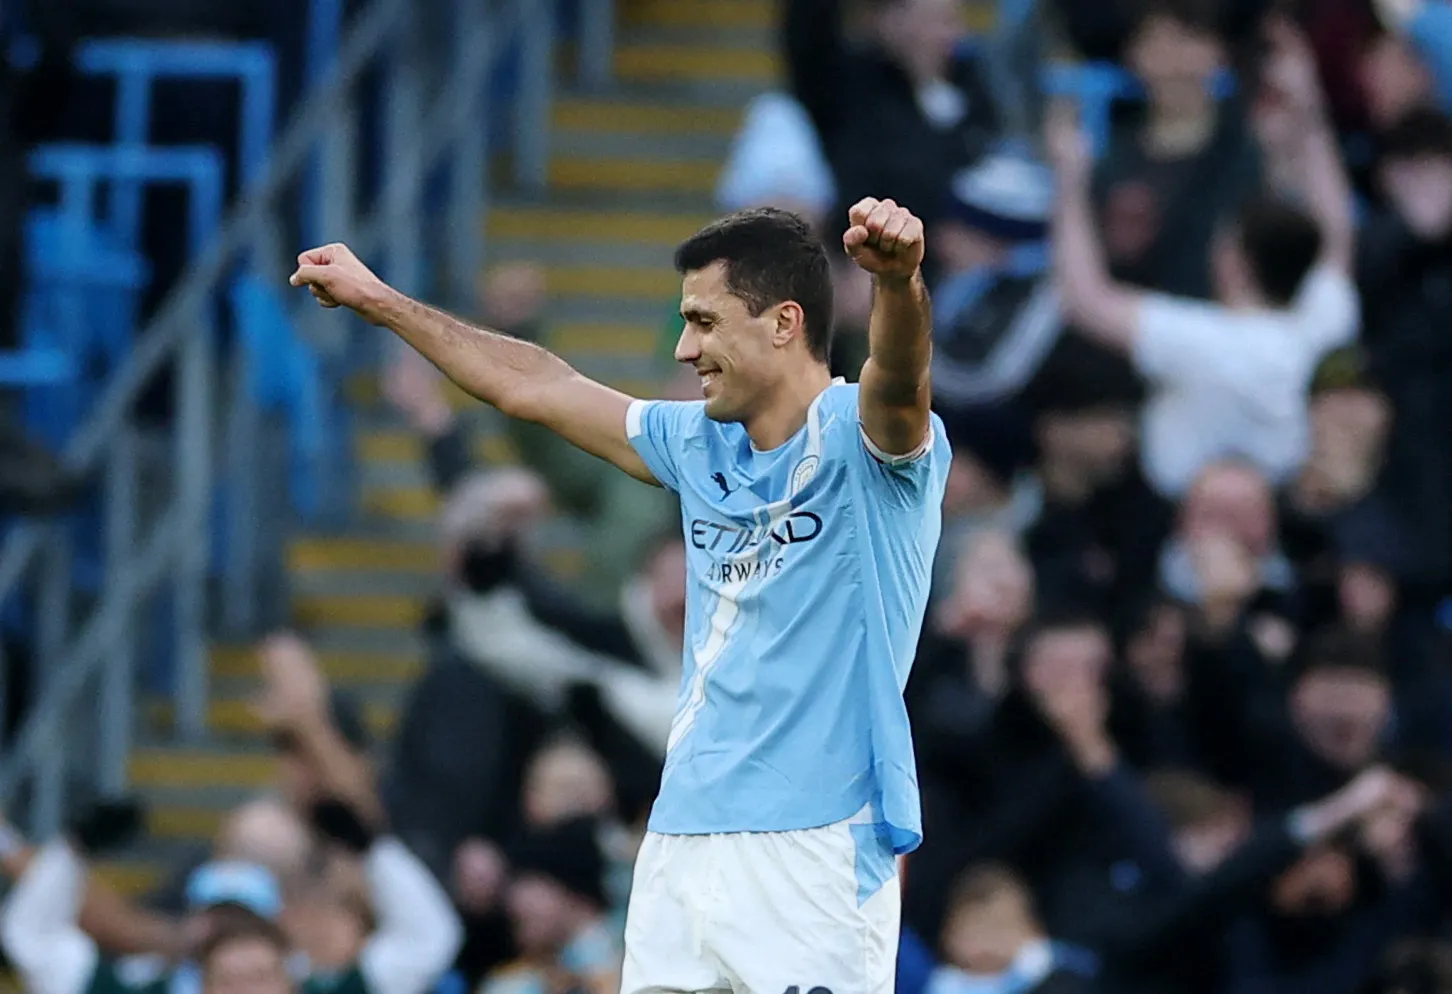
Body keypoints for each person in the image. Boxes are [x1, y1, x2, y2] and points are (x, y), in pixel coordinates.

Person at [290, 198, 950, 993]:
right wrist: (381, 302)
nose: (685, 347)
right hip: (679, 843)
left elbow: (902, 385)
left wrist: (898, 286)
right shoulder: (696, 442)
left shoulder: (866, 442)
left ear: (783, 322)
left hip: (814, 846)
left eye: (705, 322)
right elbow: (535, 386)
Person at [1046, 19, 1360, 499]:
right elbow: (1335, 237)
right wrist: (1309, 117)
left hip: (1174, 509)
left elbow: (1086, 301)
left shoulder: (1211, 343)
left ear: (1237, 264)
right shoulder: (1319, 318)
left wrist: (1068, 181)